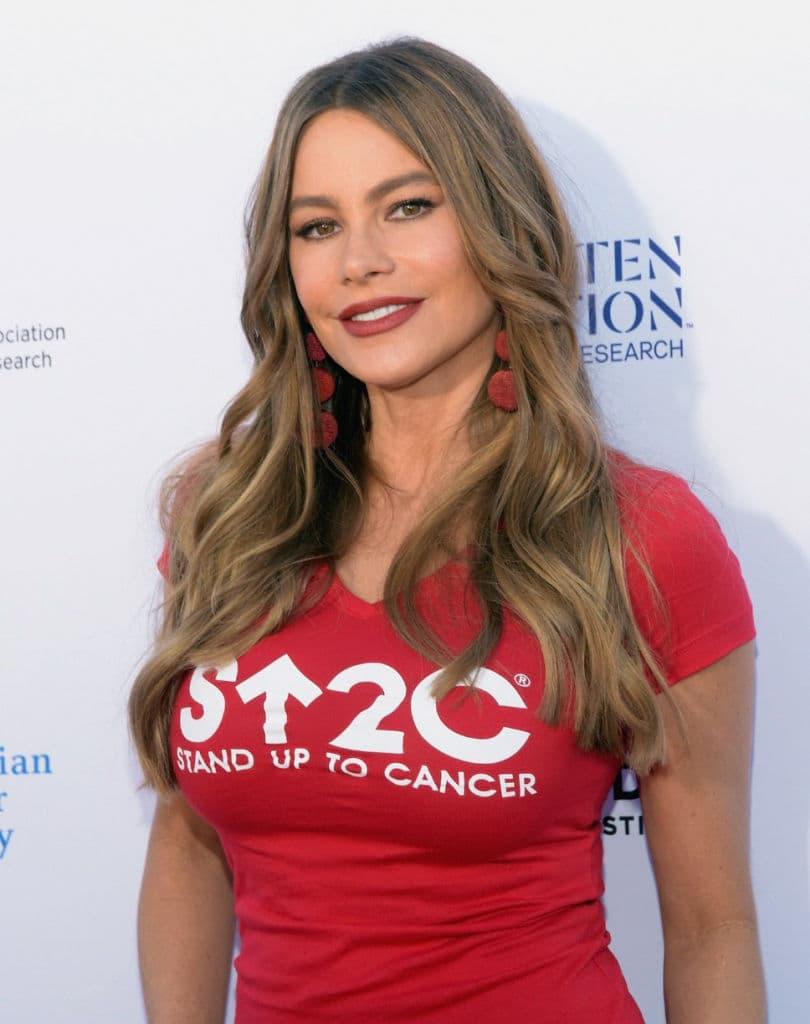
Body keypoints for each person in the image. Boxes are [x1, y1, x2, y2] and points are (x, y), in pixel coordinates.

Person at [129, 37, 765, 1024]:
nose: (360, 261)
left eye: (409, 206)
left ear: (499, 222)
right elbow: (186, 842)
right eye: (317, 226)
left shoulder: (640, 537)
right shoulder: (229, 513)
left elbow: (711, 926)